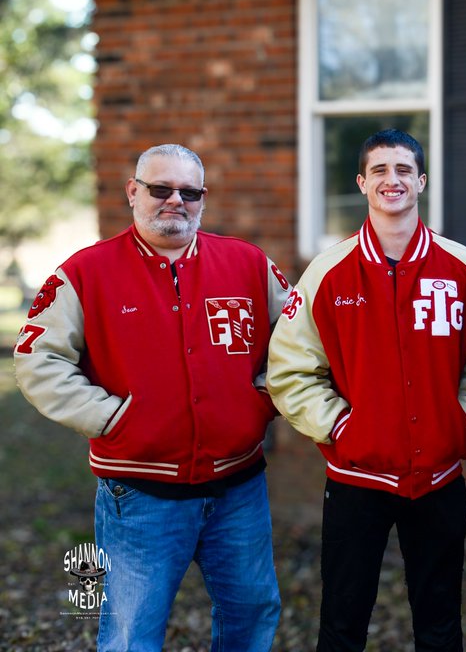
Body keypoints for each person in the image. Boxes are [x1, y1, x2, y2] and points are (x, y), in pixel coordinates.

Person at [13, 143, 288, 651]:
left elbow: (298, 343)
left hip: (239, 486)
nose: (175, 201)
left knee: (252, 612)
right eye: (161, 189)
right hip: (139, 494)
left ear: (203, 198)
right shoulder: (86, 271)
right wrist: (112, 418)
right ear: (132, 192)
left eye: (189, 192)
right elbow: (37, 359)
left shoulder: (248, 263)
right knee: (129, 633)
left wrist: (262, 398)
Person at [266, 129, 466, 652]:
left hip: (438, 477)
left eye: (402, 170)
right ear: (362, 183)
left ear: (421, 180)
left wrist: (458, 420)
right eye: (379, 171)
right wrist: (341, 427)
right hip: (356, 478)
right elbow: (289, 369)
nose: (392, 180)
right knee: (342, 623)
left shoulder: (462, 267)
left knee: (440, 623)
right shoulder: (327, 272)